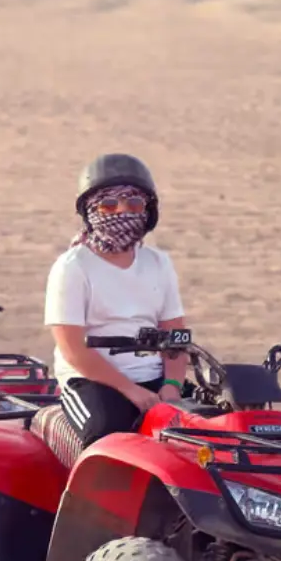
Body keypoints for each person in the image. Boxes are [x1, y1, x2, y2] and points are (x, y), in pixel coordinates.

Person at [44, 153, 187, 448]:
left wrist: (172, 386)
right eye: (109, 205)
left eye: (134, 204)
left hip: (155, 377)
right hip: (91, 380)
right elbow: (72, 349)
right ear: (90, 211)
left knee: (212, 427)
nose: (122, 212)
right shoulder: (72, 267)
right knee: (108, 440)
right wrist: (131, 391)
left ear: (148, 210)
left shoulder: (158, 263)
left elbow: (175, 336)